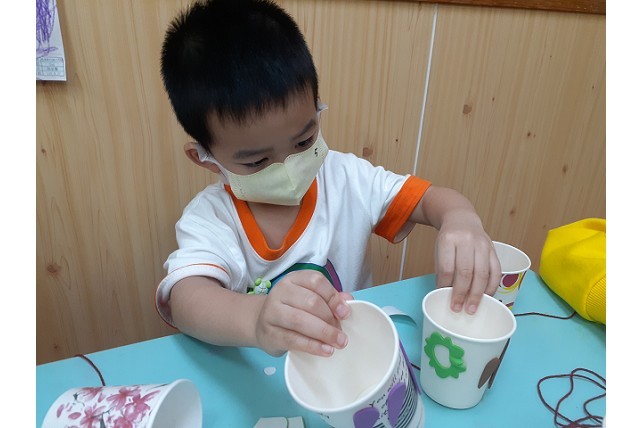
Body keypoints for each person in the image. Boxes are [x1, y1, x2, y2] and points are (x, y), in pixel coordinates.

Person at [156, 0, 501, 358]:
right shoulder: (211, 218)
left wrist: (460, 217)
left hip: (352, 358)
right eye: (258, 161)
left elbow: (428, 200)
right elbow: (186, 299)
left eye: (304, 141)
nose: (289, 167)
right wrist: (256, 319)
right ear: (205, 158)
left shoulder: (346, 179)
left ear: (316, 106)